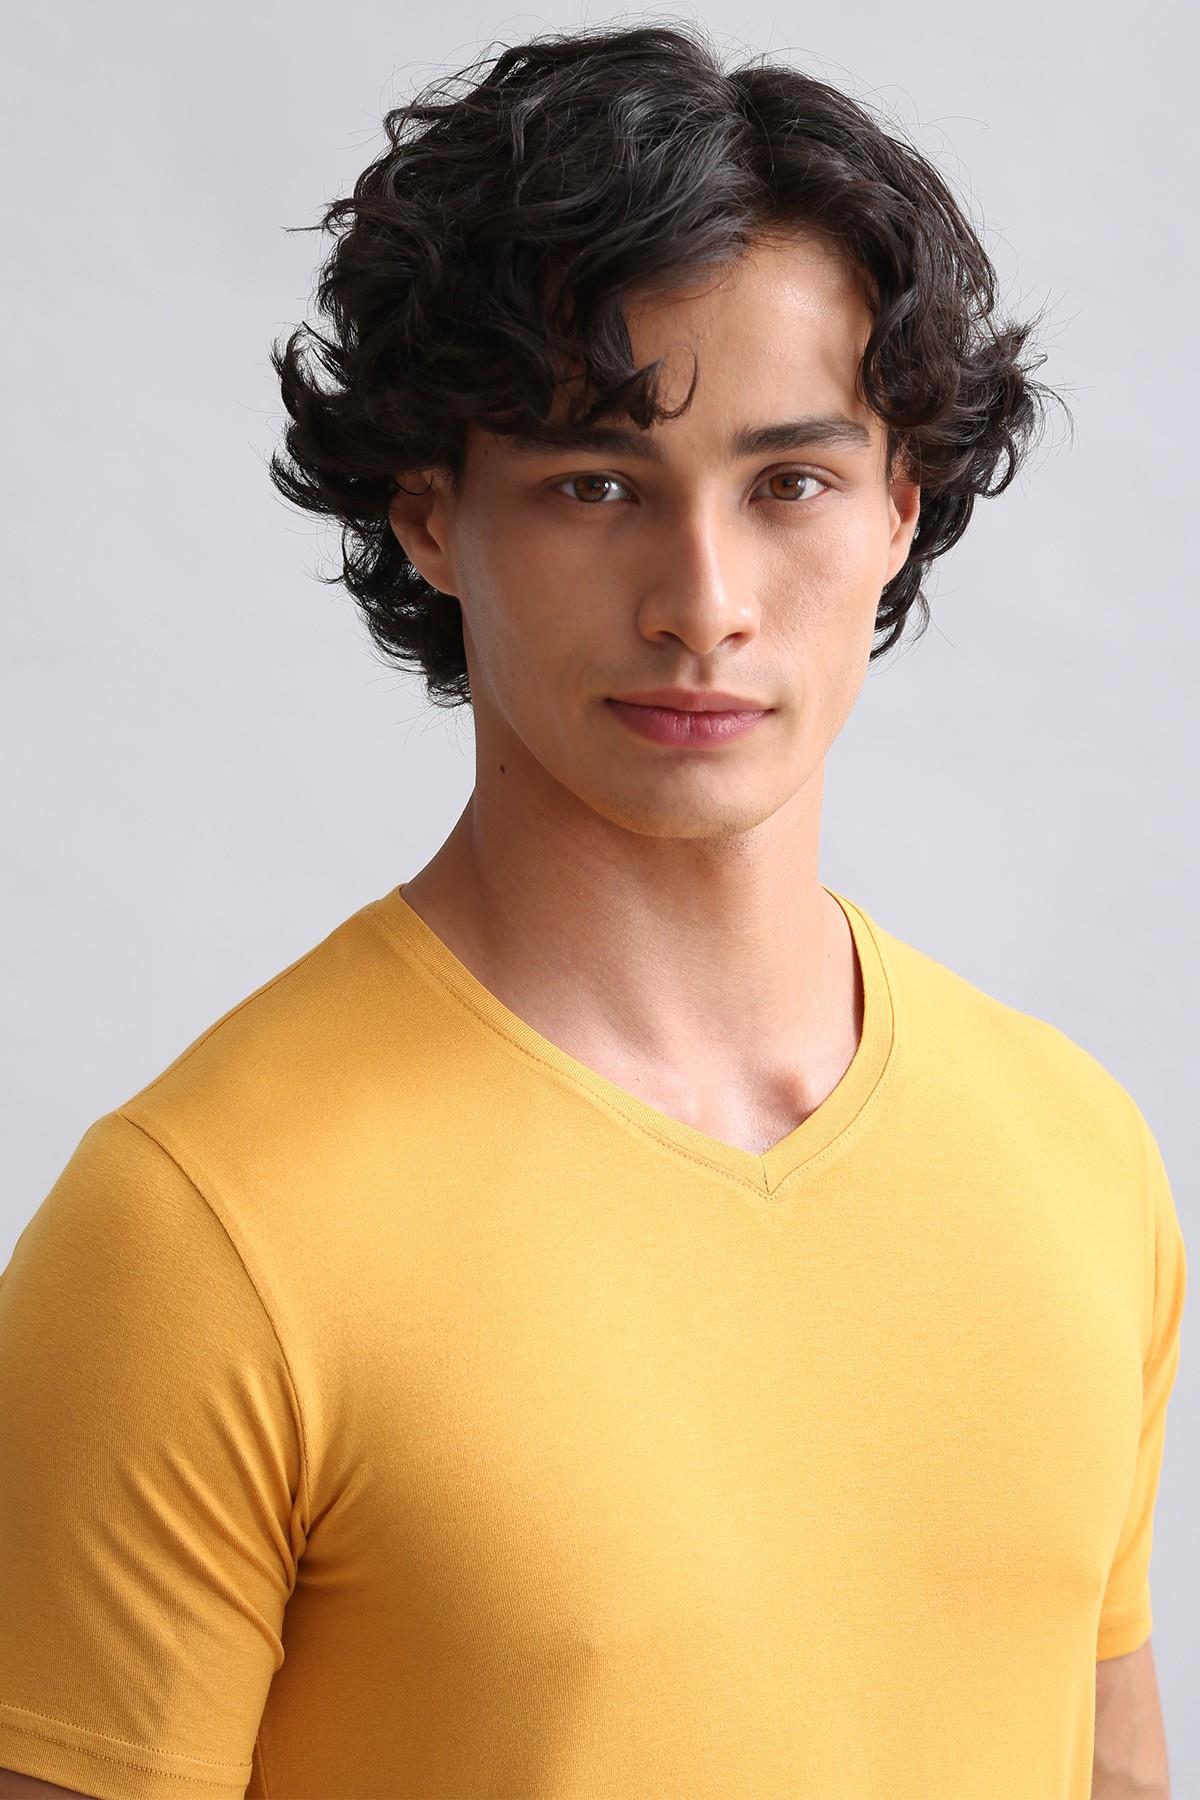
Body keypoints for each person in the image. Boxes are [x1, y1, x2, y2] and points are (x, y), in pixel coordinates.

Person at [0, 21, 1185, 1800]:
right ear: (430, 517)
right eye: (595, 485)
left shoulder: (1078, 1158)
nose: (703, 602)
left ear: (899, 509)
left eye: (790, 483)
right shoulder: (195, 1239)